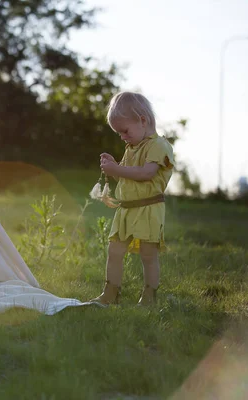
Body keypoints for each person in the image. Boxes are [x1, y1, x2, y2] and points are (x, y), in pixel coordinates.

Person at [92, 92, 174, 306]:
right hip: (126, 210)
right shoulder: (131, 148)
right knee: (114, 250)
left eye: (125, 131)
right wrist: (114, 169)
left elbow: (146, 174)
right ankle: (110, 292)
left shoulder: (158, 145)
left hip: (148, 209)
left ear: (143, 120)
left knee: (148, 254)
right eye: (119, 133)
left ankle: (149, 297)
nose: (122, 137)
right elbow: (126, 177)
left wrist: (118, 168)